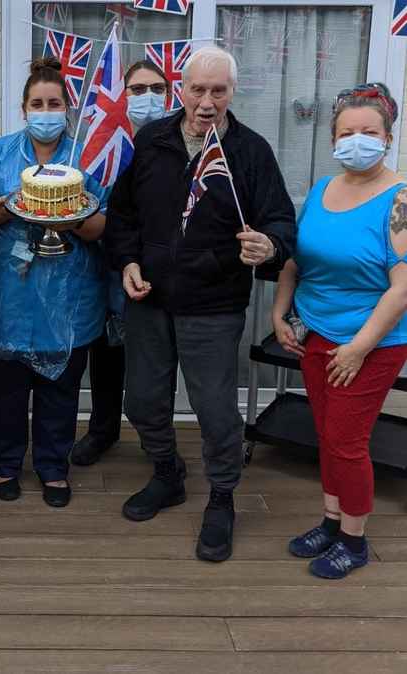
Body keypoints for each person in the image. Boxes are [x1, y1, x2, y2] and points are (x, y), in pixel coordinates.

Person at [105, 45, 296, 562]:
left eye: (219, 90)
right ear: (180, 89)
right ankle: (166, 473)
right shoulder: (152, 140)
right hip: (150, 299)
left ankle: (222, 496)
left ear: (232, 93)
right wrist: (127, 261)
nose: (207, 101)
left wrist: (270, 245)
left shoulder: (250, 151)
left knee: (214, 411)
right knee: (142, 401)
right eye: (197, 89)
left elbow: (279, 220)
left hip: (213, 303)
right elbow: (122, 217)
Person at [272, 83, 407, 579]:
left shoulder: (400, 200)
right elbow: (294, 259)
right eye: (347, 132)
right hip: (317, 335)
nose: (358, 140)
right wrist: (280, 314)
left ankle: (354, 539)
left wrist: (357, 349)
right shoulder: (321, 190)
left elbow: (402, 290)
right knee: (327, 436)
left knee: (348, 443)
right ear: (333, 137)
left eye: (368, 132)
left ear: (388, 137)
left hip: (370, 344)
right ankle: (332, 521)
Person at [0, 57, 108, 508]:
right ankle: (4, 463)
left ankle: (52, 467)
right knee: (3, 388)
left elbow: (103, 222)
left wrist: (72, 220)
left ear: (67, 108)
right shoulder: (0, 154)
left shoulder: (87, 155)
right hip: (8, 292)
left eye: (54, 103)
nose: (46, 112)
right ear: (24, 109)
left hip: (70, 293)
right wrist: (5, 208)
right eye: (37, 103)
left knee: (60, 389)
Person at [72, 59, 169, 467]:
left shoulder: (177, 140)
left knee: (154, 363)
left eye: (156, 89)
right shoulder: (105, 141)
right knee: (107, 356)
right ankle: (102, 430)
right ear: (122, 95)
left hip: (162, 271)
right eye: (137, 89)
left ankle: (156, 440)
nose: (147, 98)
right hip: (108, 268)